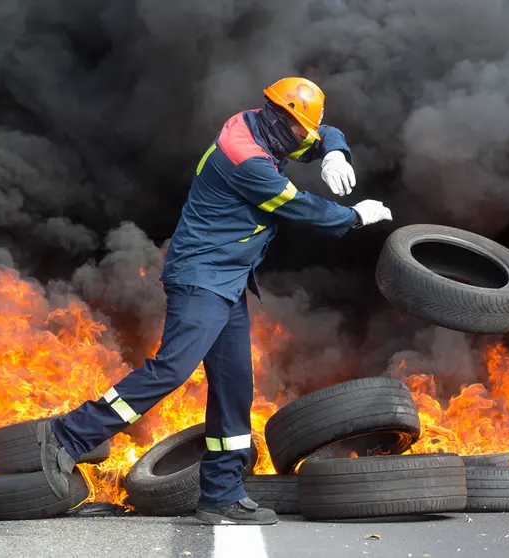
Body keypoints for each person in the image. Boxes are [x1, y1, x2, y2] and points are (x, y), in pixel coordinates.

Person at [36, 77, 393, 526]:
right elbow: (298, 207)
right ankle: (68, 435)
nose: (308, 138)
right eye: (303, 130)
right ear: (283, 119)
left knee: (234, 385)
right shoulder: (246, 160)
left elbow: (323, 134)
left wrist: (334, 150)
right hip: (200, 277)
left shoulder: (263, 125)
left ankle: (221, 494)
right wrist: (355, 216)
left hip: (228, 279)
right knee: (173, 368)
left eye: (308, 132)